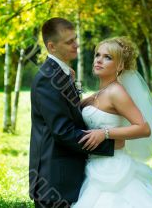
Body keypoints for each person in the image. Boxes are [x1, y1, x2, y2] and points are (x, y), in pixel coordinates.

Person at [29, 18, 125, 208]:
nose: (76, 45)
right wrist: (109, 144)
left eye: (75, 39)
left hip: (68, 177)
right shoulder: (48, 79)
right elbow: (63, 131)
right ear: (52, 46)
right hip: (55, 182)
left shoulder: (62, 73)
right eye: (69, 42)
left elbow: (71, 114)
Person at [72, 37, 152, 207]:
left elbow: (143, 128)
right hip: (93, 162)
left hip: (112, 167)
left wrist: (104, 133)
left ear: (120, 66)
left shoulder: (116, 92)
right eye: (98, 55)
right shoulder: (99, 93)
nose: (99, 60)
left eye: (108, 57)